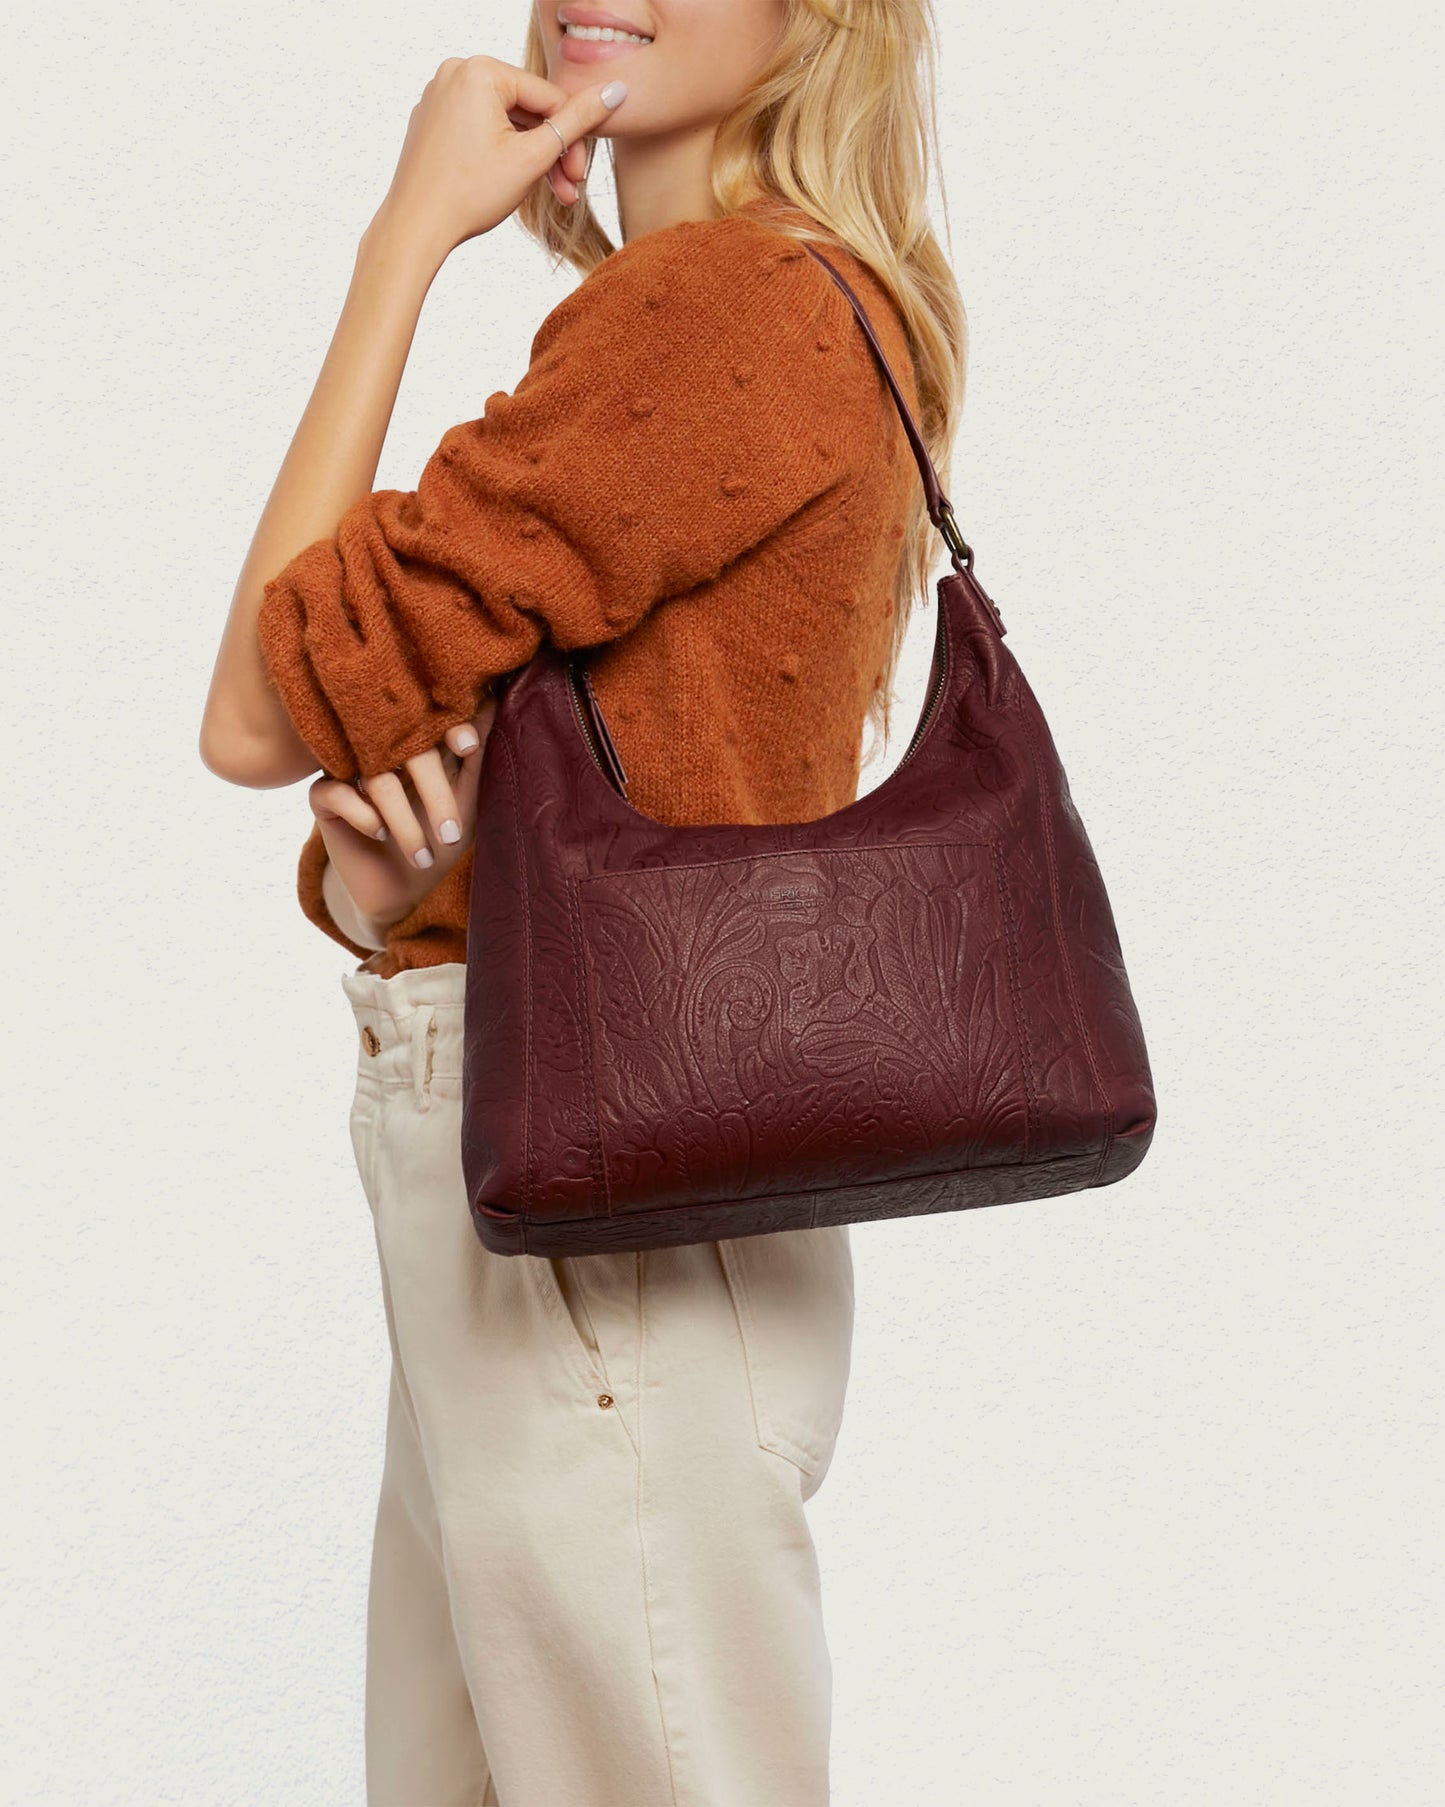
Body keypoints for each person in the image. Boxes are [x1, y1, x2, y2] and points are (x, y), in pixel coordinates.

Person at [200, 3, 967, 1800]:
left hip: (602, 1206)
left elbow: (255, 705)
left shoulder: (719, 311)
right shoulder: (794, 306)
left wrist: (406, 236)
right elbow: (674, 774)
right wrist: (395, 881)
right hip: (588, 1186)